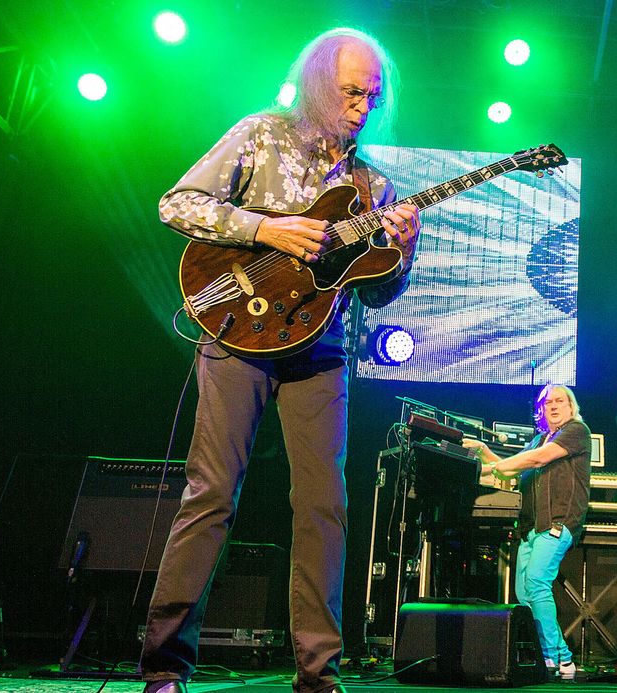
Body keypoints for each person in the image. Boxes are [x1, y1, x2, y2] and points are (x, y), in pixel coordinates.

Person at [140, 28, 421, 693]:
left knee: (325, 503)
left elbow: (376, 289)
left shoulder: (373, 183)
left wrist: (403, 253)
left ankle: (318, 672)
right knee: (211, 491)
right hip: (238, 334)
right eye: (352, 92)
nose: (363, 106)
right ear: (323, 83)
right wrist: (267, 228)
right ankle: (164, 665)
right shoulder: (261, 134)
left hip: (319, 350)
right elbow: (177, 203)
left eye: (373, 97)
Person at [461, 384, 591, 681]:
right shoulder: (538, 440)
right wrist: (482, 454)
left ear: (571, 407)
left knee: (536, 582)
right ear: (541, 410)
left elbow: (536, 460)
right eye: (548, 402)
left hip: (558, 523)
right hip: (531, 529)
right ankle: (555, 657)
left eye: (560, 401)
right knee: (524, 592)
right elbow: (508, 469)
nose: (554, 406)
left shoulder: (576, 431)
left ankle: (555, 658)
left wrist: (491, 469)